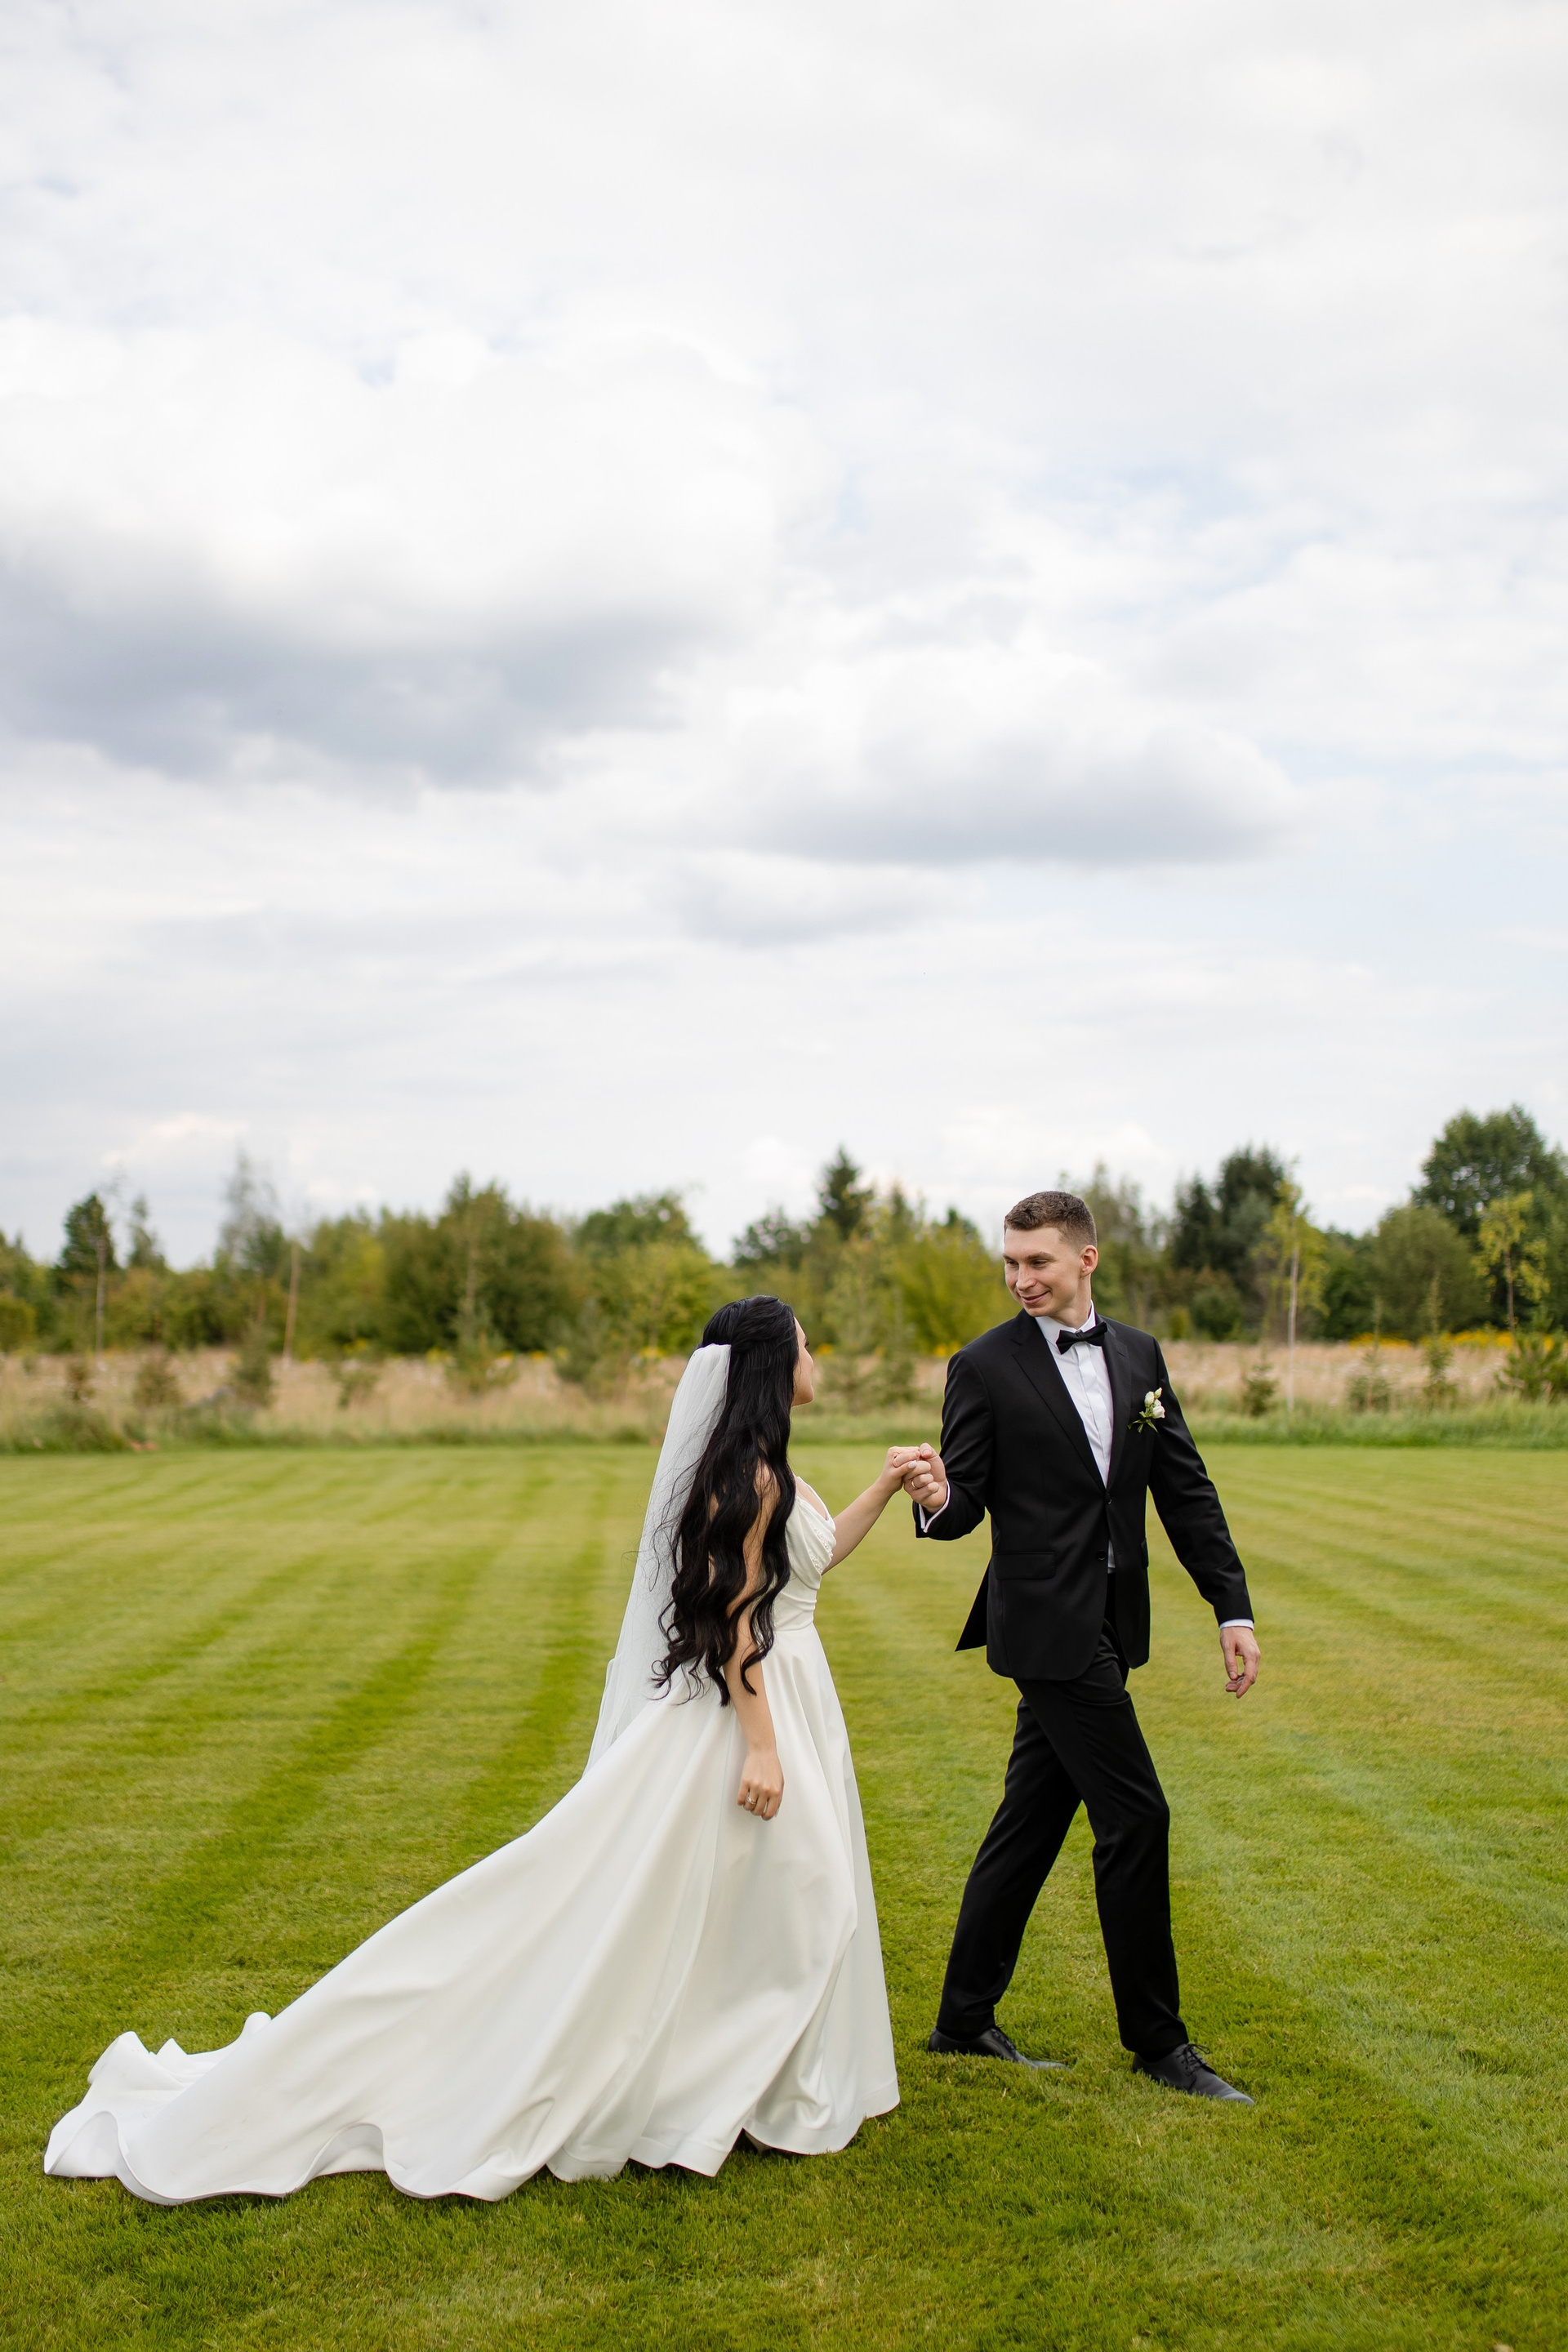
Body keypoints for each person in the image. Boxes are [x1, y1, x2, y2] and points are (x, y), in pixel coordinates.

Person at [46, 1297, 906, 2201]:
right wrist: (761, 1747)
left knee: (755, 1906)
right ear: (772, 1366)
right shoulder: (752, 1480)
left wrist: (885, 1487)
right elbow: (735, 1618)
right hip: (746, 1715)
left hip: (786, 1695)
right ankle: (722, 2092)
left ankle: (735, 2086)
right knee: (811, 1897)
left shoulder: (771, 1472)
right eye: (806, 1346)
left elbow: (810, 1567)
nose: (817, 1357)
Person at [902, 1190, 1259, 2103]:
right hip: (1043, 1627)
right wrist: (936, 1499)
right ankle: (1160, 2045)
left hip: (1112, 1617)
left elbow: (1184, 1487)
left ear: (1086, 1259)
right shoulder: (983, 1366)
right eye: (1010, 1263)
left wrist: (1231, 1607)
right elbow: (963, 1502)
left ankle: (961, 2021)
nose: (1021, 1278)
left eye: (1038, 1262)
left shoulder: (1138, 1354)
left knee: (1028, 1824)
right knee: (1137, 1817)